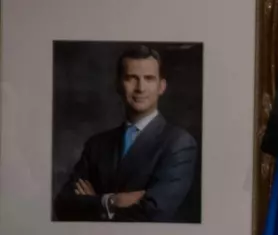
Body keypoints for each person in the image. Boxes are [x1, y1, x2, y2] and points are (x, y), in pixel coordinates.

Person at [53, 45, 198, 223]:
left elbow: (154, 212)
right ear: (118, 85)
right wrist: (111, 201)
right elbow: (63, 205)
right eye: (131, 78)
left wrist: (94, 201)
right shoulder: (97, 144)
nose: (140, 88)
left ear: (161, 87)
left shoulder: (179, 143)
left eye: (149, 78)